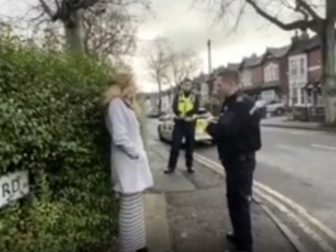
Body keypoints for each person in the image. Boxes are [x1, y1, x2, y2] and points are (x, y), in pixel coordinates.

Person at [206, 69, 261, 252]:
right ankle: (239, 234)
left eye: (219, 84)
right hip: (234, 161)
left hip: (241, 163)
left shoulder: (240, 104)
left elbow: (225, 130)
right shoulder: (231, 103)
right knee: (233, 200)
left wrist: (207, 126)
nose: (217, 87)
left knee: (240, 202)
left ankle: (246, 246)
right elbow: (226, 124)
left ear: (230, 83)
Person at [105, 74, 154, 252]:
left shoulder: (125, 104)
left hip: (133, 167)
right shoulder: (116, 104)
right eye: (133, 84)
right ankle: (128, 248)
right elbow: (120, 137)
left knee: (136, 210)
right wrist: (138, 154)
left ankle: (140, 246)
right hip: (128, 166)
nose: (135, 87)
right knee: (129, 212)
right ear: (125, 85)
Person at [164, 78, 199, 174]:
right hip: (179, 123)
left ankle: (189, 166)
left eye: (188, 85)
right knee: (175, 146)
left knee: (190, 146)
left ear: (191, 86)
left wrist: (186, 114)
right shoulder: (178, 95)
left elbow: (196, 108)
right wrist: (180, 114)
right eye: (185, 84)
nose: (186, 86)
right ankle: (171, 167)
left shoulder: (195, 95)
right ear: (182, 86)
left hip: (190, 123)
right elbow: (174, 107)